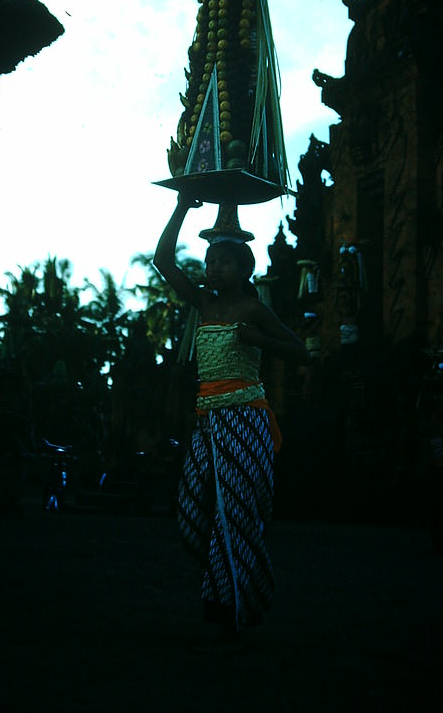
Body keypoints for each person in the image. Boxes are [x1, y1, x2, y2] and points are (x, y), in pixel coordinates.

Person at [154, 193, 309, 642]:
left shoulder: (253, 309)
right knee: (192, 512)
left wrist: (258, 337)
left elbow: (300, 352)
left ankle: (234, 604)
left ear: (244, 269)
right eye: (209, 260)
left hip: (246, 420)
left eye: (223, 261)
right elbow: (164, 259)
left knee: (237, 512)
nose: (213, 268)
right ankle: (228, 586)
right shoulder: (204, 305)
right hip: (207, 422)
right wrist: (183, 206)